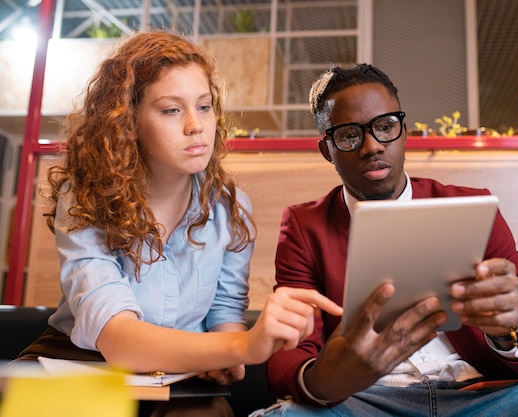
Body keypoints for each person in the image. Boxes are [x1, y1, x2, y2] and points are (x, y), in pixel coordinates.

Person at [255, 64, 518, 416]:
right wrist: (329, 375)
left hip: (483, 396)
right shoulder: (304, 226)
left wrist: (512, 329)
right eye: (350, 135)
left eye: (385, 126)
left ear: (403, 132)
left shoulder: (473, 206)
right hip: (368, 402)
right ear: (327, 151)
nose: (372, 146)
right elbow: (288, 359)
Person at [12, 31, 342, 417]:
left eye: (204, 107)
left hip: (178, 371)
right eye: (172, 110)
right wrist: (243, 347)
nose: (195, 125)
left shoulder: (232, 209)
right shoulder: (85, 196)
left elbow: (224, 313)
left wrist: (228, 351)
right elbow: (117, 339)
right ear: (128, 121)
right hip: (77, 359)